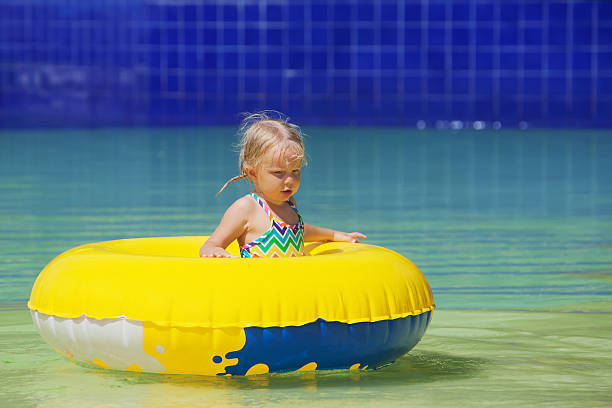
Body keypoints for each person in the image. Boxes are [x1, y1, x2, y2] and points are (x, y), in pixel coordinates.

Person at [199, 112, 366, 258]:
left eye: (295, 171)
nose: (289, 180)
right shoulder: (246, 208)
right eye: (279, 173)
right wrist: (215, 251)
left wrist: (333, 234)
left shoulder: (290, 203)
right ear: (253, 173)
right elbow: (211, 244)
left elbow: (298, 232)